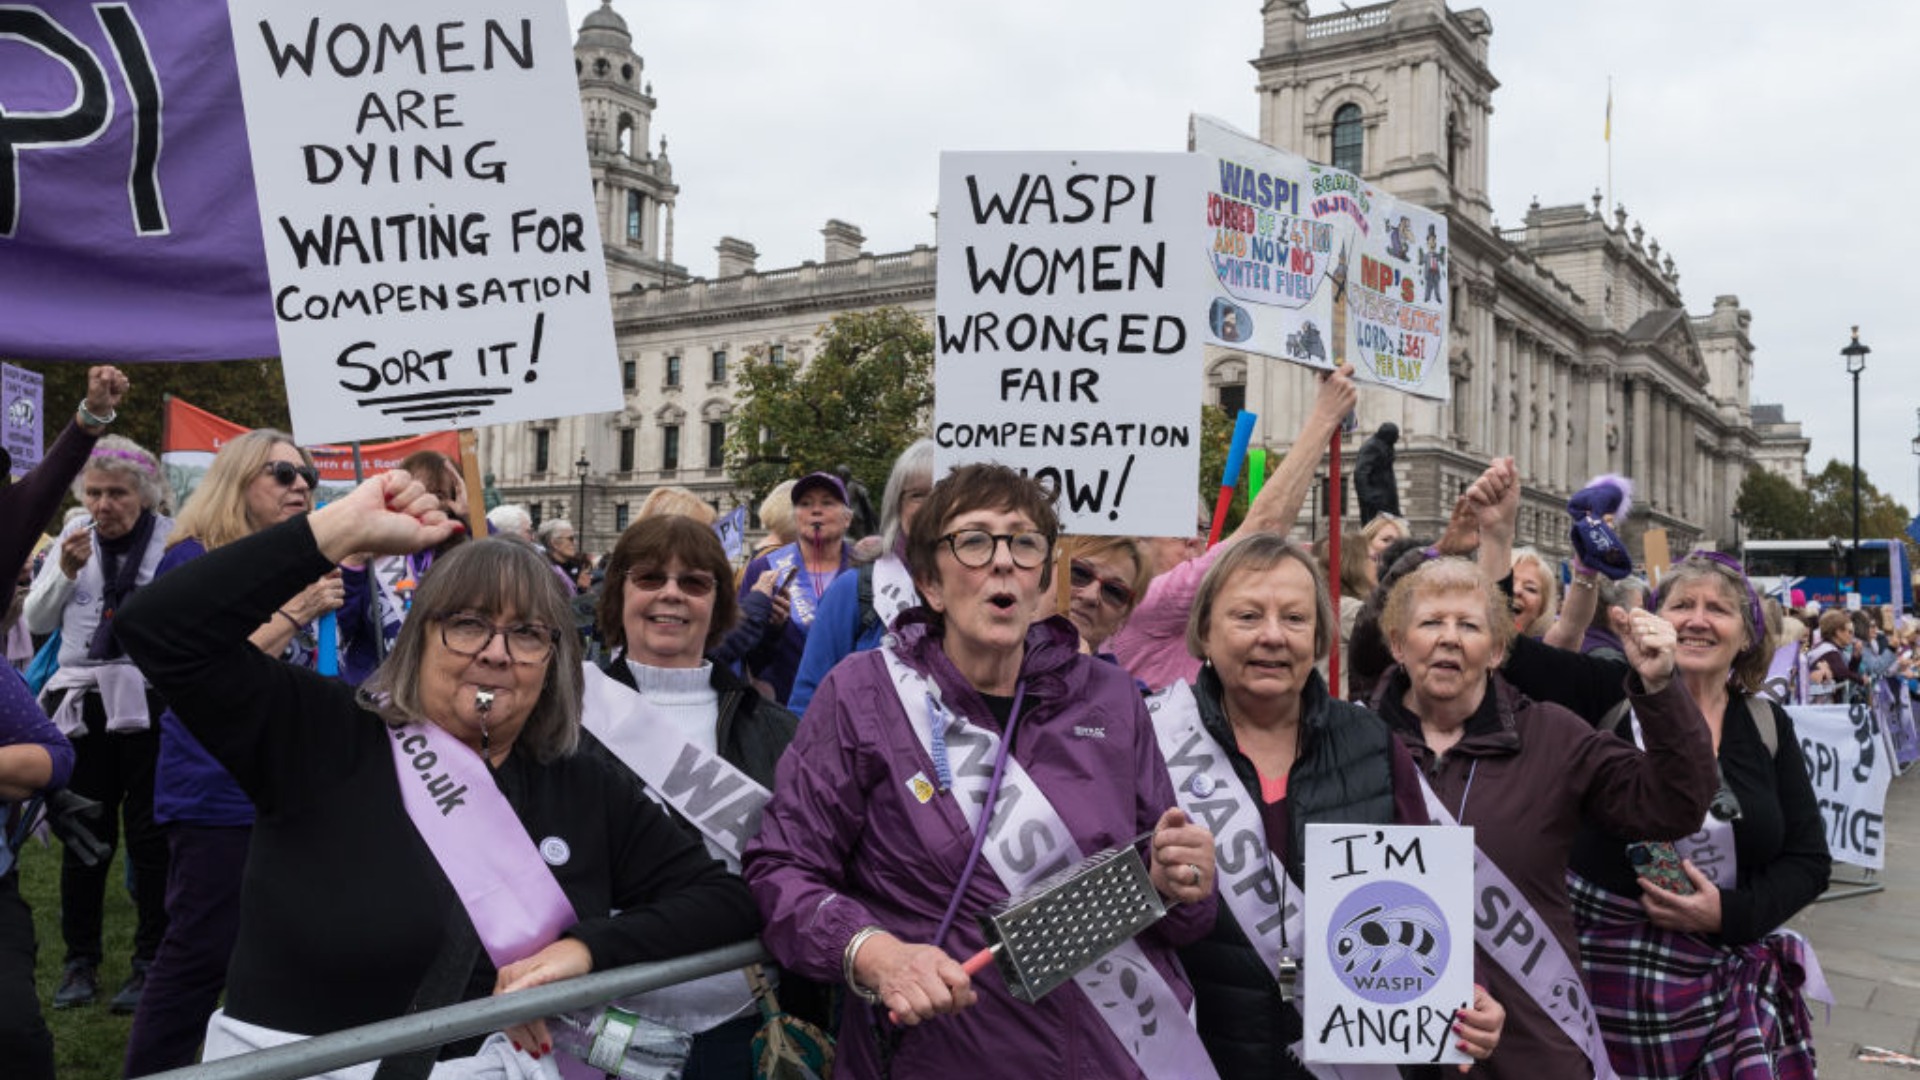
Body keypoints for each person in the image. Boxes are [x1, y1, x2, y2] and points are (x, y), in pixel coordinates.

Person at [114, 471, 760, 1074]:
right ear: (420, 635)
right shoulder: (320, 733)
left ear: (554, 662)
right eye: (468, 624)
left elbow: (725, 902)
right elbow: (160, 629)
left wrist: (585, 951)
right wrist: (336, 531)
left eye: (528, 635)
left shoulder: (580, 782)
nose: (496, 654)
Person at [745, 463, 1219, 1078]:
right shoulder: (864, 695)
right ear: (931, 585)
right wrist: (875, 954)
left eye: (1023, 543)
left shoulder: (1111, 698)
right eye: (973, 541)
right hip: (938, 1056)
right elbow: (783, 869)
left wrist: (1175, 876)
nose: (1002, 562)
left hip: (1111, 1053)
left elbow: (1183, 911)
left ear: (1042, 577)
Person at [1475, 458, 1830, 1077]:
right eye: (1681, 605)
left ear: (1746, 636)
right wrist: (1497, 538)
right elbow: (1499, 651)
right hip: (1598, 975)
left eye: (1717, 609)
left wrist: (1728, 914)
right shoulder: (1606, 689)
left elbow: (1808, 861)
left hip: (1720, 986)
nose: (1696, 619)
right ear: (1652, 622)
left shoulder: (1769, 727)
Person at [1152, 534, 1503, 1077]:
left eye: (1295, 619)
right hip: (1207, 1057)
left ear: (1318, 636)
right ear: (1203, 630)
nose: (1273, 636)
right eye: (1248, 616)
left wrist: (1469, 991)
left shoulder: (1371, 740)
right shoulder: (1152, 740)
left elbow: (1431, 896)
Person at [1368, 552, 1717, 1078]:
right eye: (1431, 622)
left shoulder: (1554, 735)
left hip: (1530, 1038)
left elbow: (1676, 804)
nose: (1449, 638)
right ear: (1398, 643)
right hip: (1388, 1039)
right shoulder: (1353, 741)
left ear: (1498, 649)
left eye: (1469, 625)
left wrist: (1660, 690)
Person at [124, 430, 344, 1076]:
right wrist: (299, 611)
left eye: (307, 473)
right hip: (215, 790)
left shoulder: (290, 562)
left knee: (290, 950)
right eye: (282, 472)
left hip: (291, 785)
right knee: (200, 953)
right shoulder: (190, 560)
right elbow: (210, 668)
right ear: (238, 478)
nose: (301, 484)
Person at [585, 514, 802, 1078]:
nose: (671, 595)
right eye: (650, 578)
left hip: (743, 1022)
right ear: (618, 595)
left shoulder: (777, 729)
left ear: (718, 603)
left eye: (695, 582)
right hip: (601, 1026)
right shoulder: (565, 721)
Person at [22, 434, 175, 1013]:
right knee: (85, 835)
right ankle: (79, 961)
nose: (103, 505)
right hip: (84, 703)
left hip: (148, 700)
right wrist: (62, 571)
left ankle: (148, 960)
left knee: (150, 836)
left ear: (146, 496)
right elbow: (37, 618)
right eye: (94, 492)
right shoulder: (72, 535)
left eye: (117, 493)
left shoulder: (171, 541)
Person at [1110, 363, 1358, 693]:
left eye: (1201, 528)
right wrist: (1325, 418)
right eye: (1181, 532)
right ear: (1138, 542)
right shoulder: (1149, 601)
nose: (1195, 542)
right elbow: (1264, 530)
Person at [788, 439, 933, 715]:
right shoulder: (852, 589)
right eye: (918, 495)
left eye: (944, 492)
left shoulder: (981, 593)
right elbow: (808, 701)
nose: (933, 505)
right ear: (897, 505)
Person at [736, 471, 854, 705]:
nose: (815, 510)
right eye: (805, 503)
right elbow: (742, 650)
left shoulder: (869, 568)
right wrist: (771, 628)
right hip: (783, 715)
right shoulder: (764, 568)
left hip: (853, 711)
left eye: (827, 503)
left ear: (847, 518)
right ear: (795, 516)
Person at [1060, 534, 1151, 660]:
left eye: (1114, 591)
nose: (1090, 596)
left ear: (1124, 617)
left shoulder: (1119, 680)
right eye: (1080, 573)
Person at [1311, 527, 1372, 697]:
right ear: (1356, 564)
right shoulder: (1350, 610)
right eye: (1373, 558)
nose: (1379, 563)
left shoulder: (1326, 601)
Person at [1353, 421, 1401, 525]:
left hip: (1387, 500)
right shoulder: (1372, 446)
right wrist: (1369, 497)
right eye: (1395, 436)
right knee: (1375, 532)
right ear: (1388, 435)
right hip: (1376, 501)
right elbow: (1360, 473)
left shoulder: (1385, 446)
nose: (1397, 439)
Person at [1508, 547, 1559, 638]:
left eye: (1530, 589)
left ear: (1541, 610)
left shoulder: (1543, 650)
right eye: (1509, 581)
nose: (1517, 590)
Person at [536, 518, 590, 593]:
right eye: (570, 539)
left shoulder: (578, 565)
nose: (575, 543)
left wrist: (583, 589)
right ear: (555, 543)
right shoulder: (543, 570)